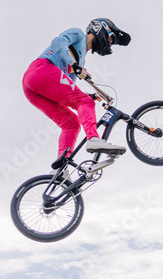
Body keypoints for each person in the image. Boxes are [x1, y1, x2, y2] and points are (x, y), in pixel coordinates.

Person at [23, 18, 132, 167]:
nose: (110, 42)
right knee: (83, 102)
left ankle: (60, 171)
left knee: (72, 123)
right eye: (111, 37)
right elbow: (57, 42)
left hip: (33, 89)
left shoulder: (82, 62)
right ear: (100, 28)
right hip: (42, 69)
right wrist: (73, 64)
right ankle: (93, 139)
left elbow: (68, 88)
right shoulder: (79, 34)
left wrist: (89, 95)